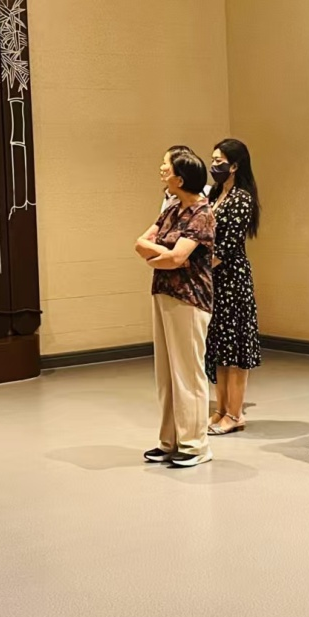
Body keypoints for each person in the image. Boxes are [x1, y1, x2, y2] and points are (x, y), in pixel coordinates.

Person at [136, 148, 216, 468]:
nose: (161, 169)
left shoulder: (202, 213)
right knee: (167, 374)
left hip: (190, 299)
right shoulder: (171, 209)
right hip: (164, 293)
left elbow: (178, 257)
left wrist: (159, 255)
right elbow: (140, 243)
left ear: (180, 179)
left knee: (188, 374)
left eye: (166, 166)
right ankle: (169, 441)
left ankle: (195, 445)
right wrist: (163, 255)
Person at [205, 139, 263, 435]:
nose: (214, 165)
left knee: (235, 346)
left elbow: (227, 246)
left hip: (232, 278)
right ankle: (220, 408)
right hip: (214, 279)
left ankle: (235, 413)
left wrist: (198, 267)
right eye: (213, 160)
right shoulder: (215, 194)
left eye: (220, 161)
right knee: (218, 345)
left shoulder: (241, 198)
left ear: (235, 165)